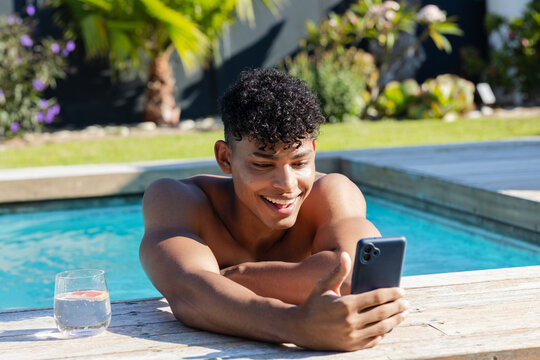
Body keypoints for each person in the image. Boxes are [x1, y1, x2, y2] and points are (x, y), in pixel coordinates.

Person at [139, 68, 409, 351]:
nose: (287, 185)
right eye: (263, 165)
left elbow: (359, 278)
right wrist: (296, 325)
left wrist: (230, 277)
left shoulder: (331, 194)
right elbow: (188, 292)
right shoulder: (177, 200)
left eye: (299, 163)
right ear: (225, 158)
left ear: (313, 151)